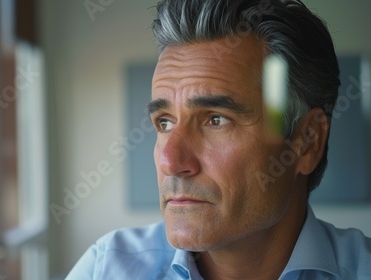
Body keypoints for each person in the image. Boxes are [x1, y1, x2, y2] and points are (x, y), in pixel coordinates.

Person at [66, 0, 371, 279]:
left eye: (216, 120)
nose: (170, 161)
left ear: (307, 141)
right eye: (165, 122)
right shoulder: (106, 268)